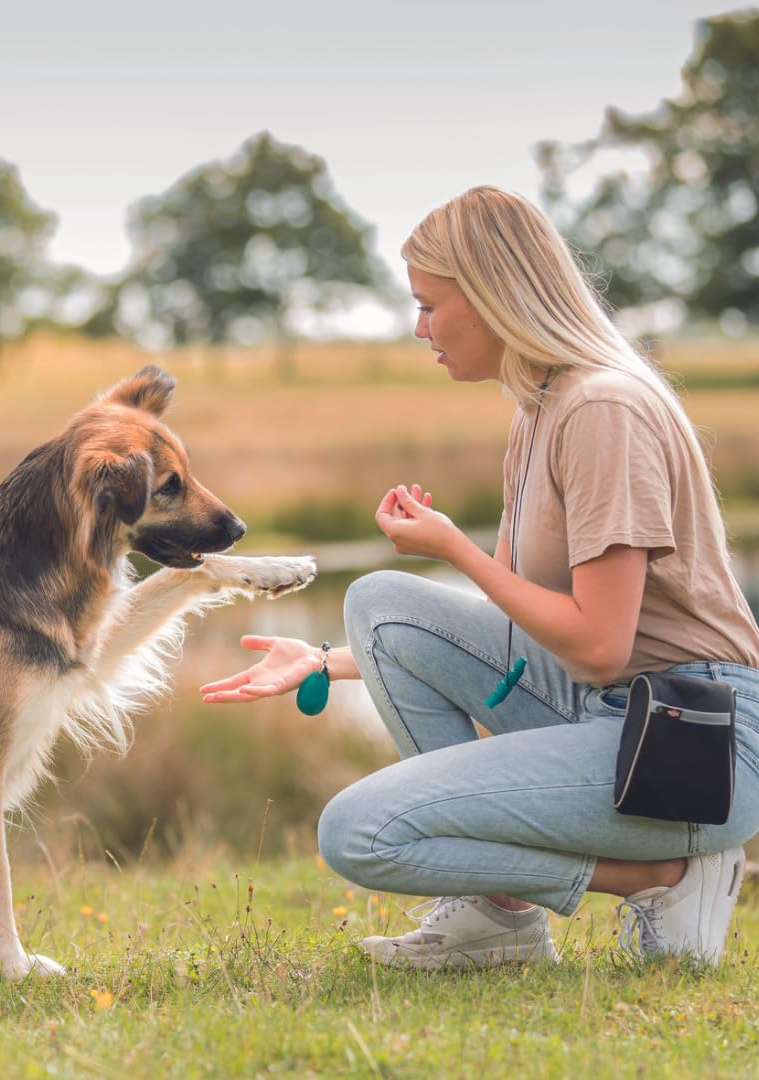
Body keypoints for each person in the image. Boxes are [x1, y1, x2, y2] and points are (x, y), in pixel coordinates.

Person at [200, 186, 759, 969]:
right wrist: (328, 660)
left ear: (495, 295)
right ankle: (498, 920)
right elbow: (520, 636)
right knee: (380, 604)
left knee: (358, 832)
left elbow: (599, 645)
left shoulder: (604, 410)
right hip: (613, 712)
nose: (419, 327)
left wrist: (453, 548)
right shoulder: (539, 414)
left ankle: (663, 875)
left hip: (693, 745)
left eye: (430, 305)